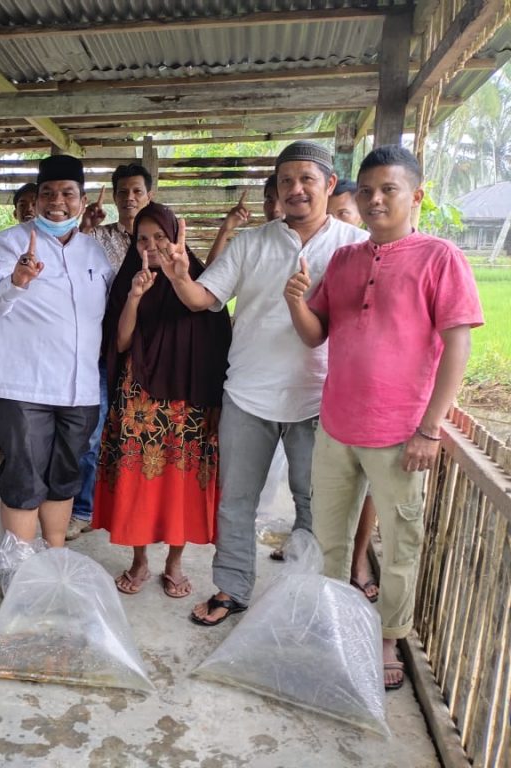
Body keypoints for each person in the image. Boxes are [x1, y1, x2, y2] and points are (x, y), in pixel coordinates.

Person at [284, 145, 482, 689]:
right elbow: (316, 334)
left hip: (399, 434)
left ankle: (388, 636)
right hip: (336, 427)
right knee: (330, 539)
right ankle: (331, 624)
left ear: (415, 196)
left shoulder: (440, 257)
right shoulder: (346, 260)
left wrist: (429, 428)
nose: (374, 200)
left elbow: (456, 346)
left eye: (388, 190)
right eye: (367, 190)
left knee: (399, 546)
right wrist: (296, 301)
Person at [162, 141, 368, 627]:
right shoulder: (251, 243)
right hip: (248, 395)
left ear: (329, 185)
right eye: (286, 181)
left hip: (319, 399)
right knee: (237, 500)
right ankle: (232, 589)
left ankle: (313, 593)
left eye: (307, 180)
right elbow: (201, 299)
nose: (296, 189)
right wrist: (177, 275)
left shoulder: (351, 248)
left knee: (315, 503)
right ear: (276, 190)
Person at [0, 155, 114, 548]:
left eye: (67, 193)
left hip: (79, 388)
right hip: (22, 386)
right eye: (48, 193)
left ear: (82, 202)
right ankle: (16, 567)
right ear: (35, 200)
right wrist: (16, 280)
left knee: (64, 475)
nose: (57, 201)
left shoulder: (95, 253)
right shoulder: (7, 244)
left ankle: (52, 558)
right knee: (24, 476)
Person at [92, 203, 231, 597]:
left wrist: (216, 403)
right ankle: (139, 561)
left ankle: (174, 561)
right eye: (142, 239)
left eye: (160, 238)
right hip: (139, 401)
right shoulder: (126, 281)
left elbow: (218, 341)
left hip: (187, 402)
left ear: (174, 238)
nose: (151, 246)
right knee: (137, 479)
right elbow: (118, 343)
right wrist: (135, 297)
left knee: (179, 483)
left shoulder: (198, 277)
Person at [69, 163, 155, 541]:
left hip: (148, 355)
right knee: (92, 432)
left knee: (141, 438)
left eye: (137, 191)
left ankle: (135, 511)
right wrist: (85, 228)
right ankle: (84, 508)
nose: (130, 198)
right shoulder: (97, 238)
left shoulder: (161, 238)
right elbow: (70, 266)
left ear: (149, 194)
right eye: (123, 192)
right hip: (102, 349)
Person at [325, 177, 378, 600]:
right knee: (328, 509)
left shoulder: (431, 256)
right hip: (334, 404)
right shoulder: (341, 260)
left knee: (370, 497)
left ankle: (360, 561)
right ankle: (328, 592)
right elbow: (316, 330)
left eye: (344, 212)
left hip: (387, 413)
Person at [207, 174, 285, 266]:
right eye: (269, 200)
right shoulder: (250, 242)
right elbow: (211, 273)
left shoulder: (303, 246)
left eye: (283, 201)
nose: (275, 208)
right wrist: (225, 229)